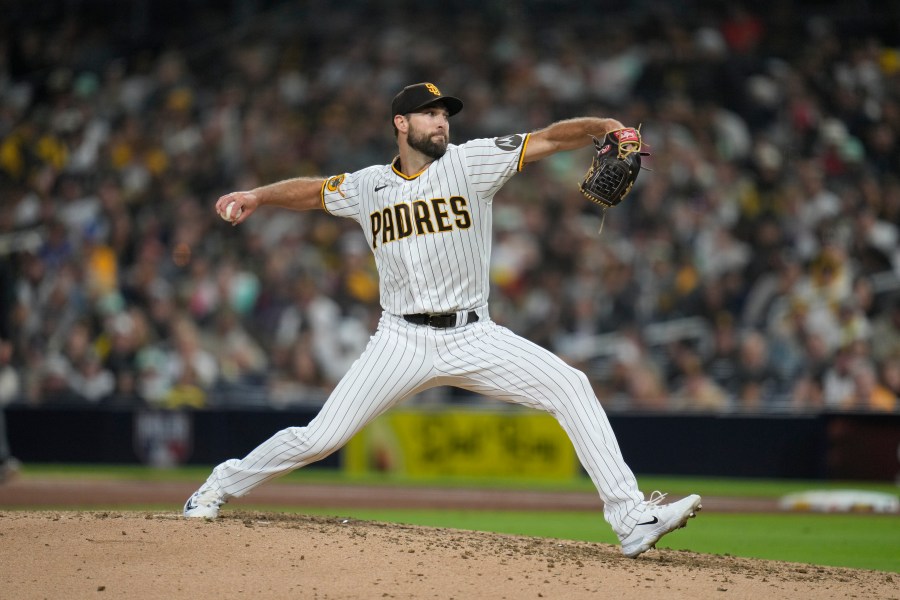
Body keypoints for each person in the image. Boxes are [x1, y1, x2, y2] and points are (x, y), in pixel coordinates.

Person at [183, 82, 701, 558]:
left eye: (444, 114)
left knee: (571, 385)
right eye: (428, 114)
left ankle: (631, 518)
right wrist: (258, 196)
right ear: (400, 124)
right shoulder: (368, 186)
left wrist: (601, 129)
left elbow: (547, 140)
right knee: (321, 438)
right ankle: (220, 484)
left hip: (473, 334)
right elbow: (316, 191)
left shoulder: (472, 161)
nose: (440, 122)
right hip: (400, 339)